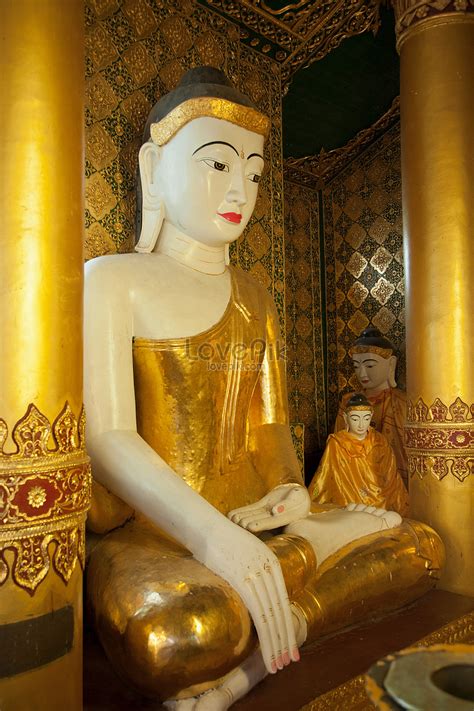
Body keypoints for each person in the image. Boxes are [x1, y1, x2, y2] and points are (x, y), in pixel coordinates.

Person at [84, 68, 442, 710]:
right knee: (180, 635)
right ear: (152, 167)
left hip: (259, 519)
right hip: (155, 536)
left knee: (418, 547)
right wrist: (211, 537)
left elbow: (271, 425)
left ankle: (269, 644)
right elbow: (108, 436)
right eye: (217, 164)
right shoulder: (113, 280)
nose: (240, 191)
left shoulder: (255, 297)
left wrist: (289, 491)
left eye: (252, 174)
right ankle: (282, 606)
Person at [310, 394, 408, 515]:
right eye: (355, 419)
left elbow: (391, 476)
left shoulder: (380, 441)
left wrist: (383, 493)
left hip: (380, 495)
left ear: (371, 416)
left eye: (366, 419)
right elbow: (326, 476)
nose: (361, 425)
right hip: (348, 498)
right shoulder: (337, 443)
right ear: (345, 418)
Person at [334, 327, 408, 489]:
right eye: (356, 366)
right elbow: (339, 445)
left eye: (370, 366)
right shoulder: (349, 401)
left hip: (392, 479)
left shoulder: (401, 402)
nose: (361, 373)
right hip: (355, 476)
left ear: (391, 364)